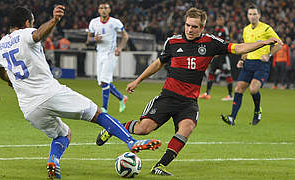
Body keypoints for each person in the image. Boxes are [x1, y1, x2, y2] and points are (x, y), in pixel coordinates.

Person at [95, 7, 282, 176]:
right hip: (168, 97)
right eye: (187, 25)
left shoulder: (211, 43)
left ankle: (160, 166)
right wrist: (137, 80)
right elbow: (158, 63)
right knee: (143, 129)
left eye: (194, 27)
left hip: (188, 102)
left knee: (187, 128)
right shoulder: (173, 42)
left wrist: (264, 43)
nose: (189, 29)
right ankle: (113, 128)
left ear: (202, 28)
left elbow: (239, 47)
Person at [0, 6, 161, 179]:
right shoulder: (26, 33)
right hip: (50, 93)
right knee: (97, 113)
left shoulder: (1, 45)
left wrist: (11, 80)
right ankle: (131, 142)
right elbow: (37, 35)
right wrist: (54, 20)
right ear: (27, 22)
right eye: (32, 23)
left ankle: (54, 160)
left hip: (29, 108)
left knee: (63, 134)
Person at [221, 4, 282, 126]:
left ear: (259, 15)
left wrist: (268, 55)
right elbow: (246, 47)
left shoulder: (266, 28)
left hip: (261, 64)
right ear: (247, 16)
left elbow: (279, 43)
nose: (252, 16)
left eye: (255, 14)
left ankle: (257, 110)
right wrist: (242, 60)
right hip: (248, 63)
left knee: (253, 89)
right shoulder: (246, 29)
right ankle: (232, 117)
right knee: (238, 89)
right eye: (250, 14)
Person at [87, 1, 129, 113]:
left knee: (105, 81)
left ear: (109, 10)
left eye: (106, 8)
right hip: (99, 54)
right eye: (101, 8)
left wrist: (119, 48)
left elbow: (125, 36)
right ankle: (121, 98)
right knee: (102, 83)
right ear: (98, 10)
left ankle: (104, 109)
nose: (103, 10)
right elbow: (88, 40)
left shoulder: (115, 22)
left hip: (111, 54)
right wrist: (93, 40)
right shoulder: (94, 22)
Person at [199, 14, 234, 101]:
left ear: (223, 21)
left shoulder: (224, 30)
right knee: (211, 73)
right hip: (215, 56)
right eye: (218, 20)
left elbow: (227, 42)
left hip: (223, 56)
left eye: (220, 20)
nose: (219, 21)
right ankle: (207, 93)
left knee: (227, 74)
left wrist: (220, 51)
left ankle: (230, 95)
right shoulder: (215, 29)